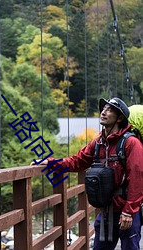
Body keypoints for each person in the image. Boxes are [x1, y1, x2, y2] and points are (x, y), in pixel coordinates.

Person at [32, 97, 143, 250]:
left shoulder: (131, 143)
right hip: (106, 210)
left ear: (120, 118)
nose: (103, 112)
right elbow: (77, 161)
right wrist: (51, 162)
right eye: (103, 109)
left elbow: (137, 178)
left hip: (126, 211)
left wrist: (129, 212)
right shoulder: (98, 143)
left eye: (109, 110)